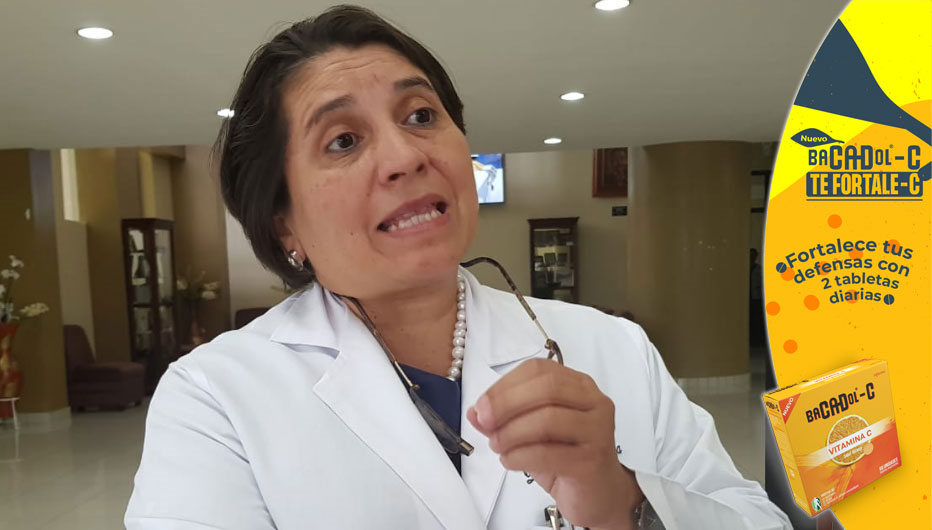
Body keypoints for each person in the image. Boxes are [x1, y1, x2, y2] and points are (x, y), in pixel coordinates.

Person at [125, 6, 790, 529]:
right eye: (344, 140)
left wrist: (622, 501)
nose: (405, 156)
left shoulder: (613, 350)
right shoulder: (215, 397)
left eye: (421, 115)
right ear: (283, 223)